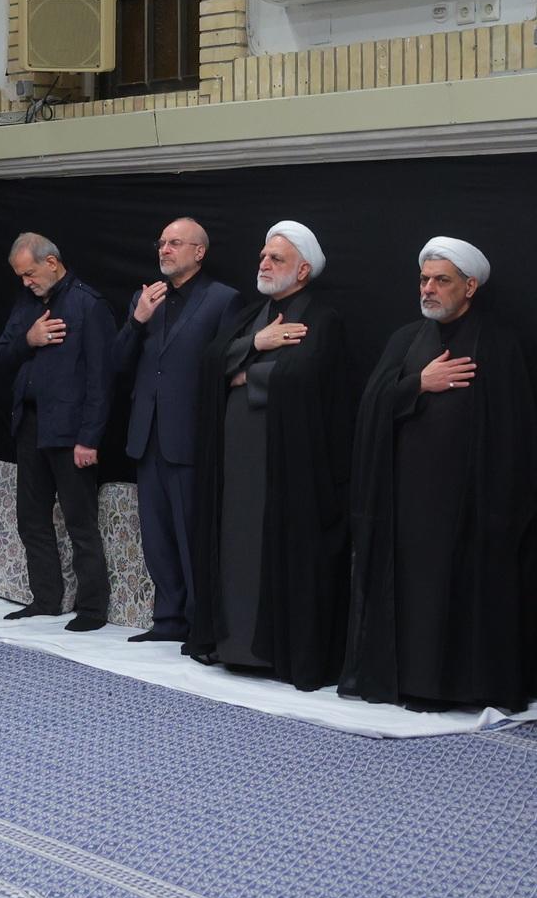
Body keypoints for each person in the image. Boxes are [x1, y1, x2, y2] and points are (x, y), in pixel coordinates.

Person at [344, 237, 533, 712]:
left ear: (469, 286)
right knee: (413, 592)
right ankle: (410, 681)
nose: (428, 288)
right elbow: (370, 407)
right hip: (406, 501)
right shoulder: (405, 339)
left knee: (462, 594)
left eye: (441, 280)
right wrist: (418, 384)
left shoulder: (499, 343)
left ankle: (456, 688)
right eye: (424, 279)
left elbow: (515, 431)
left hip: (472, 505)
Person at [187, 221, 352, 690]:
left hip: (283, 467)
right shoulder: (249, 316)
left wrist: (246, 376)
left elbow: (308, 378)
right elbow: (210, 361)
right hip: (235, 466)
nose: (264, 263)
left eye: (276, 258)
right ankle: (232, 645)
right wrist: (255, 346)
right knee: (234, 549)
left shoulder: (322, 319)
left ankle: (269, 652)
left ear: (302, 270)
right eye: (263, 255)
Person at [110, 218, 241, 643]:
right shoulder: (145, 298)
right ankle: (167, 620)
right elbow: (118, 364)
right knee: (157, 536)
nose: (164, 249)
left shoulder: (223, 300)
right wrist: (137, 320)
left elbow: (227, 365)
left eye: (175, 243)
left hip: (191, 436)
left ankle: (200, 625)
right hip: (146, 435)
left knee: (191, 536)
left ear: (199, 252)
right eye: (162, 242)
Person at [0, 233, 114, 632]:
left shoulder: (88, 304)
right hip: (29, 425)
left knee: (80, 522)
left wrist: (89, 438)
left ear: (52, 262)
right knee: (31, 518)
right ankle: (45, 598)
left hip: (70, 431)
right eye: (20, 276)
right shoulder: (26, 303)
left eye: (29, 273)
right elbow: (1, 356)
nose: (26, 281)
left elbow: (101, 379)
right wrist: (29, 340)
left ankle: (92, 608)